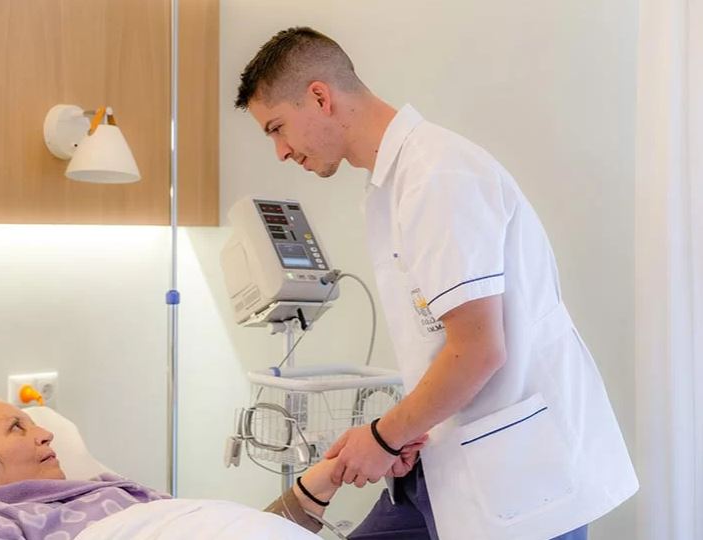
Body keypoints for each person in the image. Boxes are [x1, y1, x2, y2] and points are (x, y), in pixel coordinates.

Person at [234, 26, 638, 540]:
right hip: (444, 461)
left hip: (519, 474)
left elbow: (478, 350)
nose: (280, 151)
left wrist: (383, 437)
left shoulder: (437, 175)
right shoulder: (392, 185)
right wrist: (396, 434)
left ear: (319, 97)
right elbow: (444, 343)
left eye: (277, 128)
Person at [0, 397, 424, 539]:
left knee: (418, 492)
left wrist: (332, 471)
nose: (45, 433)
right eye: (16, 429)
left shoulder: (110, 489)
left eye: (35, 423)